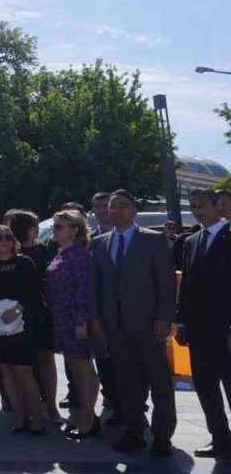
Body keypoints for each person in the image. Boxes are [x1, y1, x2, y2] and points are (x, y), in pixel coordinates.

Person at [90, 189, 176, 457]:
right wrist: (97, 318)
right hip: (114, 325)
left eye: (123, 206)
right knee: (127, 382)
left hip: (149, 324)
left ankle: (162, 436)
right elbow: (96, 285)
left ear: (134, 210)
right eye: (112, 206)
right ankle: (134, 431)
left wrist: (164, 318)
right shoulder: (99, 243)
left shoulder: (153, 240)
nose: (116, 210)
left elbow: (166, 283)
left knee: (159, 382)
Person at [177, 188, 231, 458]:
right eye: (193, 206)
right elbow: (187, 284)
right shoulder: (191, 241)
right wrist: (181, 322)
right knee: (205, 385)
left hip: (226, 327)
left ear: (216, 205)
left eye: (202, 205)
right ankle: (220, 438)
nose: (198, 211)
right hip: (199, 328)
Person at [0, 225, 45, 435]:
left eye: (8, 237)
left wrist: (17, 310)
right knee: (6, 371)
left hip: (22, 324)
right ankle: (19, 417)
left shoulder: (24, 262)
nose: (4, 241)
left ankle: (36, 418)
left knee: (24, 371)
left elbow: (34, 291)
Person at [45, 209, 100, 439]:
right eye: (54, 226)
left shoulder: (79, 255)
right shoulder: (62, 252)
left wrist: (81, 321)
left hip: (74, 319)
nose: (55, 230)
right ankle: (86, 415)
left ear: (75, 230)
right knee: (75, 368)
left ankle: (88, 419)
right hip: (61, 319)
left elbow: (83, 289)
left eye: (59, 227)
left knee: (83, 367)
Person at [7, 209, 59, 424]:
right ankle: (29, 408)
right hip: (18, 313)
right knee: (23, 364)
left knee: (46, 359)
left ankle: (51, 406)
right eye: (33, 226)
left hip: (42, 311)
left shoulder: (45, 249)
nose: (37, 230)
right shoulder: (11, 253)